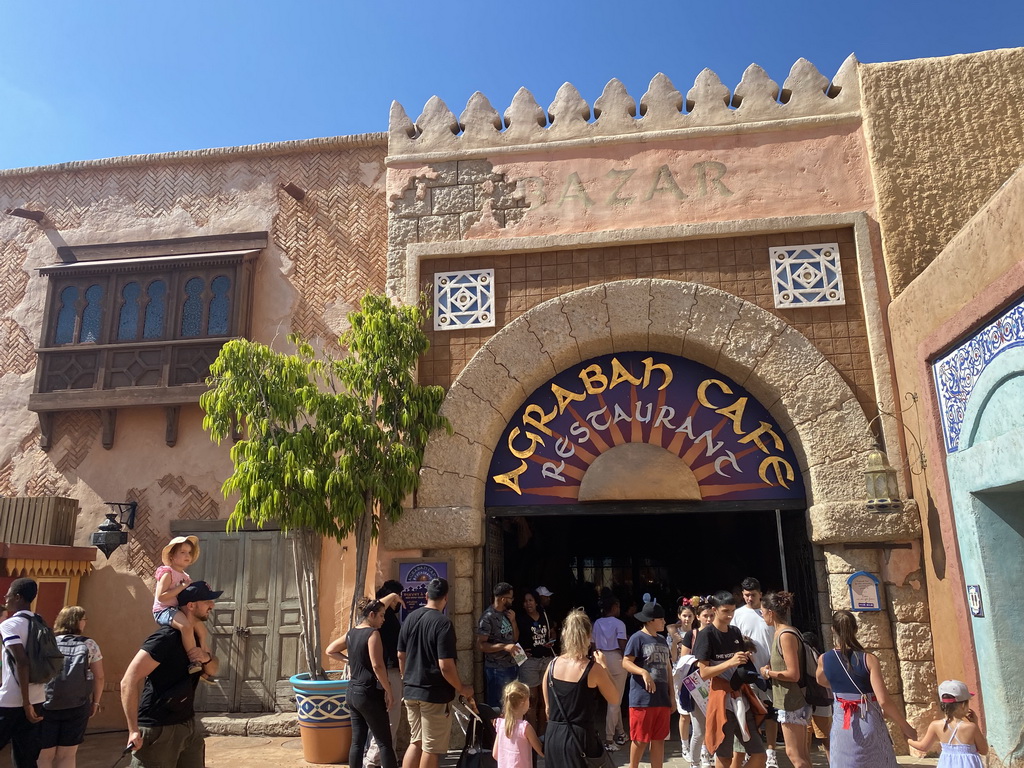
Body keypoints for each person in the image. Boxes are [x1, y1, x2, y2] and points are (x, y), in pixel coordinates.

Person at [121, 581, 221, 768]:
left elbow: (213, 669)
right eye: (207, 601)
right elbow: (128, 681)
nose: (212, 606)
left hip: (188, 726)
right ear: (191, 606)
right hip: (158, 729)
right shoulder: (165, 639)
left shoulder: (198, 638)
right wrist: (133, 730)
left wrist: (206, 657)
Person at [816, 610, 915, 768]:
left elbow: (821, 680)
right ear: (856, 629)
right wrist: (905, 726)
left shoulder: (824, 659)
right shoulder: (868, 659)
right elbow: (883, 701)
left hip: (843, 725)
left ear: (832, 629)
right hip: (867, 719)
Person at [398, 578, 474, 768]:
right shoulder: (443, 624)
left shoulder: (410, 619)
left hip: (411, 691)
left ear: (426, 596)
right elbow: (446, 666)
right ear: (446, 598)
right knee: (431, 748)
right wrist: (462, 688)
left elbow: (401, 654)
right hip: (434, 694)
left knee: (415, 742)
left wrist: (405, 678)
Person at [693, 590, 767, 768]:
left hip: (741, 697)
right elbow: (703, 672)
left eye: (732, 611)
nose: (730, 615)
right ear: (714, 610)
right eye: (725, 611)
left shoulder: (735, 632)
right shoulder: (707, 635)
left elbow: (739, 664)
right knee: (724, 757)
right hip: (720, 700)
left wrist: (746, 661)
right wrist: (730, 662)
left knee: (759, 755)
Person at [326, 597, 399, 768]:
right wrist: (388, 691)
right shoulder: (373, 634)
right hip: (369, 693)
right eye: (381, 615)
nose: (384, 619)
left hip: (352, 692)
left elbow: (330, 650)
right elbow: (377, 665)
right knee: (384, 742)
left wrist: (349, 660)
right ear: (371, 615)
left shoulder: (351, 633)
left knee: (357, 742)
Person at [542, 609, 620, 768]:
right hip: (579, 738)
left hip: (553, 737)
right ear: (587, 636)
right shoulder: (593, 669)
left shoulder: (551, 665)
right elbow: (615, 698)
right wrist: (604, 666)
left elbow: (548, 710)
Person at [38, 606, 104, 768]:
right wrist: (95, 702)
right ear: (77, 622)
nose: (85, 623)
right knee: (67, 756)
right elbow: (99, 676)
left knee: (44, 755)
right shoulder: (89, 644)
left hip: (46, 704)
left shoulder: (48, 642)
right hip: (77, 705)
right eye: (84, 619)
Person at [758, 591, 811, 768]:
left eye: (762, 611)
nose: (762, 615)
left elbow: (793, 674)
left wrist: (768, 673)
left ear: (771, 612)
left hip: (791, 700)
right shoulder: (783, 632)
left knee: (794, 754)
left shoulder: (785, 635)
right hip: (789, 699)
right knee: (802, 754)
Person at [730, 578, 778, 768]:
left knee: (772, 713)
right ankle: (753, 749)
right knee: (750, 714)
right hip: (747, 672)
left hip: (770, 670)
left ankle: (772, 751)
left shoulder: (769, 613)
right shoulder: (737, 614)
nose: (749, 598)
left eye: (753, 595)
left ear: (761, 594)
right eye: (746, 595)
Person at [0, 578, 46, 768]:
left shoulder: (9, 625)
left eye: (9, 594)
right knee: (25, 758)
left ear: (17, 597)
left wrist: (25, 702)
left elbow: (22, 661)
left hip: (12, 700)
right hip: (38, 699)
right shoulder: (41, 623)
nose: (5, 597)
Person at [622, 601, 673, 768]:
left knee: (659, 740)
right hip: (642, 699)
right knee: (639, 739)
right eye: (661, 619)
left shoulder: (662, 640)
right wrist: (643, 672)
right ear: (651, 620)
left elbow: (668, 667)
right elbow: (626, 662)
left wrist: (672, 695)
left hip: (662, 698)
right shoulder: (637, 638)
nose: (664, 622)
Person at [152, 536, 206, 676]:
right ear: (171, 556)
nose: (187, 555)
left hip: (177, 609)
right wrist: (181, 587)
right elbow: (161, 597)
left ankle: (204, 658)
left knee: (200, 628)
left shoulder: (186, 577)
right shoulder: (167, 572)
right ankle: (193, 660)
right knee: (186, 626)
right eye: (182, 552)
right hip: (163, 610)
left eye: (189, 553)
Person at [366, 581, 405, 768]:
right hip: (388, 672)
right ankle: (373, 761)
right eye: (399, 596)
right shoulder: (381, 615)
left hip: (390, 671)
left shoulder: (387, 616)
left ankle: (388, 760)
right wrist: (392, 598)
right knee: (389, 720)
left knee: (392, 720)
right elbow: (377, 604)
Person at [908, 680, 987, 767]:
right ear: (963, 705)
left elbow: (923, 747)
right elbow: (984, 750)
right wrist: (975, 723)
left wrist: (908, 740)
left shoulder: (935, 725)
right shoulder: (971, 727)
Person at [515, 590, 554, 738]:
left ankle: (543, 734)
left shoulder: (545, 616)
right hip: (529, 663)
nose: (528, 603)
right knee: (531, 700)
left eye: (530, 600)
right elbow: (514, 639)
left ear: (536, 602)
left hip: (545, 659)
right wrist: (521, 657)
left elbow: (552, 633)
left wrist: (551, 642)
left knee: (545, 700)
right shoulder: (520, 619)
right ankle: (532, 736)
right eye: (525, 601)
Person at [591, 596, 627, 751]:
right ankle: (609, 738)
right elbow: (622, 643)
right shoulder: (619, 624)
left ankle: (621, 733)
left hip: (600, 657)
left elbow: (592, 644)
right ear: (613, 607)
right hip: (616, 658)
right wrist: (627, 660)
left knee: (612, 700)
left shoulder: (597, 623)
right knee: (615, 701)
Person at [477, 582, 519, 710]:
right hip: (497, 669)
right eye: (511, 598)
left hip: (512, 665)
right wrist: (504, 647)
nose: (512, 600)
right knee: (499, 706)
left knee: (512, 706)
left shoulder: (509, 614)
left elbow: (515, 638)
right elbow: (482, 645)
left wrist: (513, 621)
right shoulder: (487, 617)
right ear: (503, 599)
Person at [668, 599, 697, 762]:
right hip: (679, 673)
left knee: (697, 710)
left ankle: (698, 744)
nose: (687, 619)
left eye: (690, 616)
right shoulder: (673, 633)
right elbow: (672, 658)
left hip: (696, 674)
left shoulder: (697, 632)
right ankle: (684, 745)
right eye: (684, 616)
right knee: (684, 713)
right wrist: (674, 641)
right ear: (679, 616)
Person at [492, 681, 543, 768]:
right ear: (524, 702)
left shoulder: (501, 724)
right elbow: (541, 751)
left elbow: (495, 754)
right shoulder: (525, 727)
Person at [801, 631, 831, 763]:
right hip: (821, 700)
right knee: (827, 739)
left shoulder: (803, 654)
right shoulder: (819, 656)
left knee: (804, 741)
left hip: (805, 700)